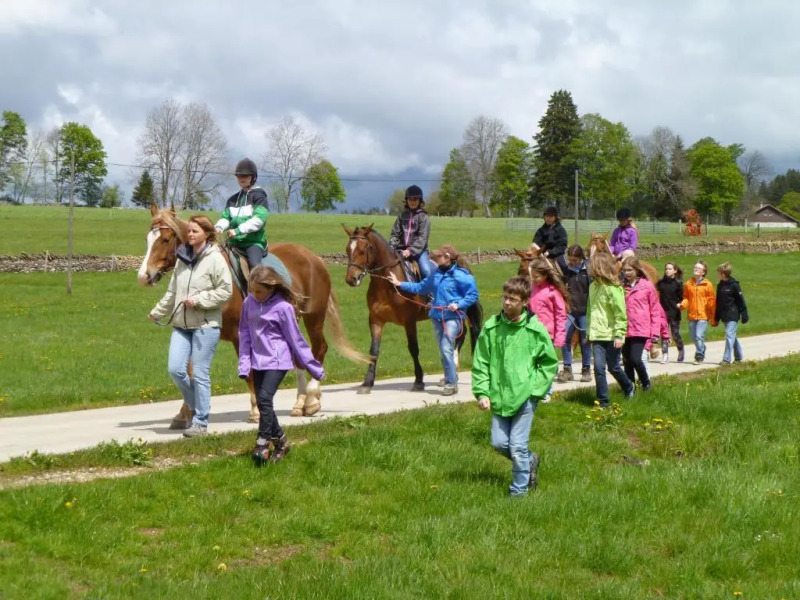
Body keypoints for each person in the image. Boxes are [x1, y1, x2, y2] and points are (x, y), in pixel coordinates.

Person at [472, 275, 558, 497]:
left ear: (525, 302)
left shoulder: (535, 330)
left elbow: (548, 363)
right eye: (505, 298)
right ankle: (531, 460)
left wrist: (535, 391)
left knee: (518, 446)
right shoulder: (491, 328)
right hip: (499, 396)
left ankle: (519, 491)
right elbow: (481, 362)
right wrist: (482, 392)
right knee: (499, 443)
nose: (507, 303)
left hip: (525, 397)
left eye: (513, 299)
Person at [149, 215, 233, 437]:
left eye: (195, 231)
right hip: (181, 324)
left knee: (199, 374)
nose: (190, 235)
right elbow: (172, 291)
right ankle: (197, 405)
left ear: (207, 233)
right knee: (175, 369)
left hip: (206, 325)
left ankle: (201, 422)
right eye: (189, 231)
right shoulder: (182, 258)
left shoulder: (215, 259)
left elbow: (225, 291)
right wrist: (158, 311)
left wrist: (199, 300)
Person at [238, 266, 325, 464]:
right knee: (262, 402)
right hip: (257, 360)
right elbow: (244, 333)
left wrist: (313, 367)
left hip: (278, 360)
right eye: (252, 290)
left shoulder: (283, 308)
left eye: (259, 291)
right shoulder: (248, 303)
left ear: (272, 288)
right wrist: (244, 364)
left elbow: (296, 339)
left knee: (265, 398)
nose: (255, 295)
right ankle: (282, 443)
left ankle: (262, 441)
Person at [388, 244, 478, 396]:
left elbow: (473, 295)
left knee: (445, 347)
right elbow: (421, 287)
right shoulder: (435, 274)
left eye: (438, 257)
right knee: (443, 350)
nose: (435, 260)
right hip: (437, 317)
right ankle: (451, 376)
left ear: (448, 258)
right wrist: (399, 284)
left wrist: (458, 304)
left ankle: (451, 383)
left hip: (453, 318)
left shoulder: (463, 276)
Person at [586, 252, 635, 407]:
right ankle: (603, 402)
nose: (589, 266)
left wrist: (620, 334)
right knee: (599, 368)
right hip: (597, 335)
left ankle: (628, 386)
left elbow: (620, 313)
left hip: (612, 335)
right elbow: (590, 311)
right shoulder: (592, 286)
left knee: (613, 366)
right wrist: (588, 333)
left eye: (592, 264)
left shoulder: (613, 288)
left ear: (599, 267)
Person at [214, 158, 270, 270]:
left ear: (252, 177)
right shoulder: (232, 200)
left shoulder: (259, 197)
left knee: (255, 267)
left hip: (253, 243)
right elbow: (226, 218)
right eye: (239, 176)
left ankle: (260, 286)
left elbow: (258, 221)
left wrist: (238, 231)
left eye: (245, 176)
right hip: (234, 242)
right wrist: (219, 227)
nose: (241, 178)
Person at [527, 258, 569, 402]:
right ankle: (534, 388)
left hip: (548, 333)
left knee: (546, 363)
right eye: (532, 277)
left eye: (537, 277)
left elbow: (560, 315)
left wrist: (559, 337)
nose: (534, 279)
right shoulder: (532, 289)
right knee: (533, 362)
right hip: (532, 331)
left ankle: (547, 391)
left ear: (545, 275)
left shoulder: (552, 292)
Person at [620, 257, 661, 391]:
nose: (626, 273)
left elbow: (655, 310)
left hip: (641, 329)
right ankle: (630, 388)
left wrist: (655, 334)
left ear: (637, 270)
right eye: (624, 270)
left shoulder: (647, 286)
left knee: (635, 359)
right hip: (625, 329)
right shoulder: (621, 287)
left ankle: (646, 383)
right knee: (627, 361)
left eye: (629, 270)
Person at [557, 245, 592, 383]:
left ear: (581, 258)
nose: (572, 262)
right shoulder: (567, 272)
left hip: (585, 312)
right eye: (570, 260)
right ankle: (567, 369)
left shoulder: (588, 271)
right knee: (564, 336)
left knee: (585, 341)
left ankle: (586, 369)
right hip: (570, 311)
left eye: (575, 260)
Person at [389, 185, 433, 279]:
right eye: (410, 199)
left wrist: (410, 250)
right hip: (400, 250)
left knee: (426, 271)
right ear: (406, 200)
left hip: (419, 252)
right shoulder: (402, 216)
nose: (412, 202)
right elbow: (395, 234)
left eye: (415, 199)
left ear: (419, 201)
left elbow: (422, 238)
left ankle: (429, 293)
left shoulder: (423, 217)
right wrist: (392, 246)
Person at [680, 260, 717, 365]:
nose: (695, 269)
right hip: (692, 315)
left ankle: (699, 356)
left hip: (703, 315)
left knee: (698, 336)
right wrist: (682, 305)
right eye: (695, 267)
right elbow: (686, 297)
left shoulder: (707, 284)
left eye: (698, 268)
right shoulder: (688, 284)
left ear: (703, 272)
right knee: (692, 337)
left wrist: (713, 315)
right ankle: (702, 347)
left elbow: (711, 300)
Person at [714, 262, 749, 365]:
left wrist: (744, 313)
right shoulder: (720, 285)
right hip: (724, 315)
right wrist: (716, 317)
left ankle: (726, 359)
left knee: (729, 335)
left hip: (733, 314)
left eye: (718, 272)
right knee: (732, 336)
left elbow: (741, 300)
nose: (717, 274)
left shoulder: (734, 285)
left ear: (723, 274)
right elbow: (718, 302)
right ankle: (738, 356)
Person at [656, 262, 685, 363]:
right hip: (662, 312)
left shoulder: (678, 283)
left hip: (674, 312)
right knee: (664, 334)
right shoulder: (660, 283)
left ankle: (681, 350)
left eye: (670, 269)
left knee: (675, 334)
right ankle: (665, 355)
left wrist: (680, 304)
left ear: (675, 271)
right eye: (666, 269)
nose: (667, 270)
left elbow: (682, 298)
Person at [532, 206, 568, 272]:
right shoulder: (540, 231)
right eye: (547, 216)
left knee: (564, 267)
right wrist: (537, 250)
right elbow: (536, 243)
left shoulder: (561, 230)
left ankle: (567, 281)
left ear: (555, 218)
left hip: (557, 255)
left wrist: (550, 252)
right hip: (542, 255)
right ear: (544, 217)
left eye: (551, 216)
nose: (548, 218)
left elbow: (562, 245)